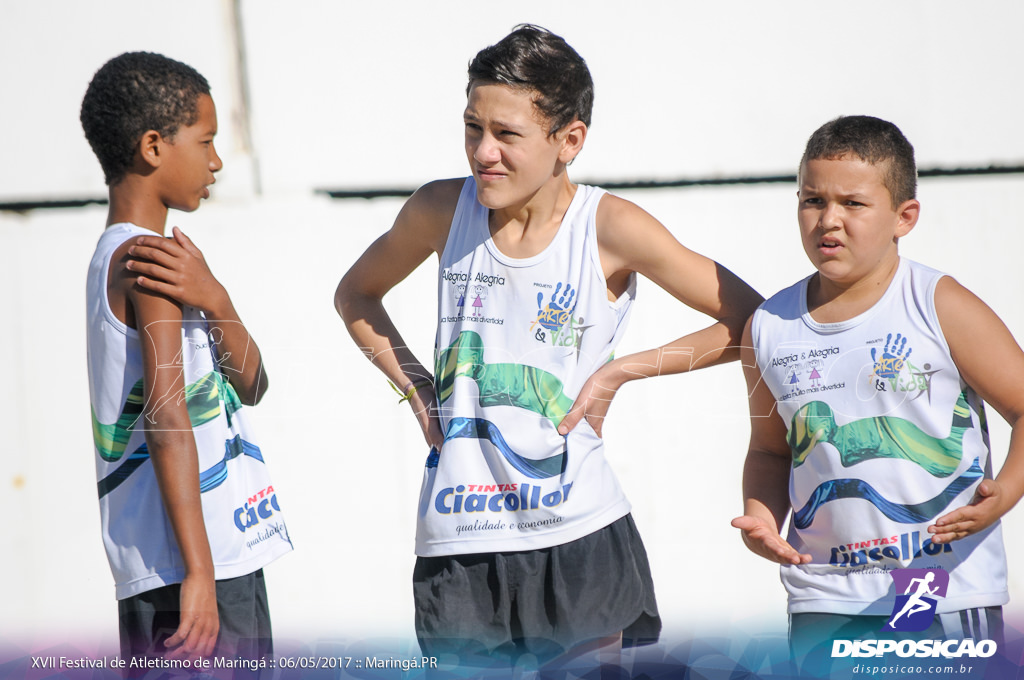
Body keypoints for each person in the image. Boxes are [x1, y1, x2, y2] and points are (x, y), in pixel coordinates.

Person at [335, 25, 762, 669]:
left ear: (570, 141)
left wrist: (620, 372)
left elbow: (754, 322)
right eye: (473, 127)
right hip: (459, 537)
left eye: (507, 134)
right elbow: (356, 297)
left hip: (578, 532)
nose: (483, 151)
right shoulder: (439, 209)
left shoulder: (610, 227)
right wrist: (420, 389)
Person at [731, 115, 1024, 674]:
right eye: (812, 200)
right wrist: (761, 516)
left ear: (904, 217)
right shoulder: (769, 324)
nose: (829, 220)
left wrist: (1006, 492)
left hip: (939, 582)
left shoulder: (937, 303)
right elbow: (770, 450)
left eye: (853, 204)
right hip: (824, 594)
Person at [81, 52, 293, 671]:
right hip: (190, 570)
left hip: (220, 556)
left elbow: (251, 383)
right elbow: (166, 417)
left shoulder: (167, 263)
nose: (217, 162)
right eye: (205, 142)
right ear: (153, 146)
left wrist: (216, 297)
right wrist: (198, 573)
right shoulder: (143, 260)